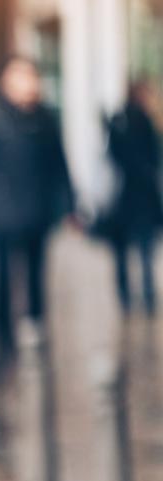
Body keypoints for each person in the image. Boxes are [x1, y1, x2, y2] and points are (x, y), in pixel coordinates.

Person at [0, 57, 73, 357]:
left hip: (38, 212)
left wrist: (68, 203)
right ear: (6, 82)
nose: (28, 83)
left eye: (31, 76)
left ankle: (36, 326)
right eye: (21, 76)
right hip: (4, 214)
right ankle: (2, 336)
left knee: (36, 275)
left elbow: (59, 164)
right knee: (4, 277)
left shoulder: (45, 119)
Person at [103, 81, 162, 317]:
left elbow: (113, 157)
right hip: (138, 197)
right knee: (143, 251)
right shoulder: (142, 122)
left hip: (127, 198)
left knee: (128, 251)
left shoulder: (120, 121)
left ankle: (127, 295)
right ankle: (146, 297)